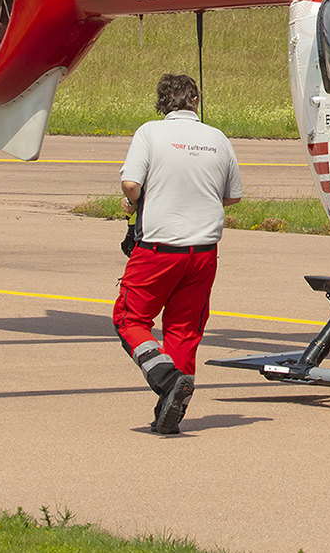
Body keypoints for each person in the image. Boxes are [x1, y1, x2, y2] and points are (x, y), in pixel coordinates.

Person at [112, 73, 241, 434]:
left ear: (162, 103)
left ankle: (166, 377)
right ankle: (171, 409)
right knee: (184, 330)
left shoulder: (150, 133)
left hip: (158, 249)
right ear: (195, 101)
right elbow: (232, 196)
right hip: (202, 253)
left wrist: (135, 202)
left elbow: (130, 184)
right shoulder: (218, 138)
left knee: (129, 319)